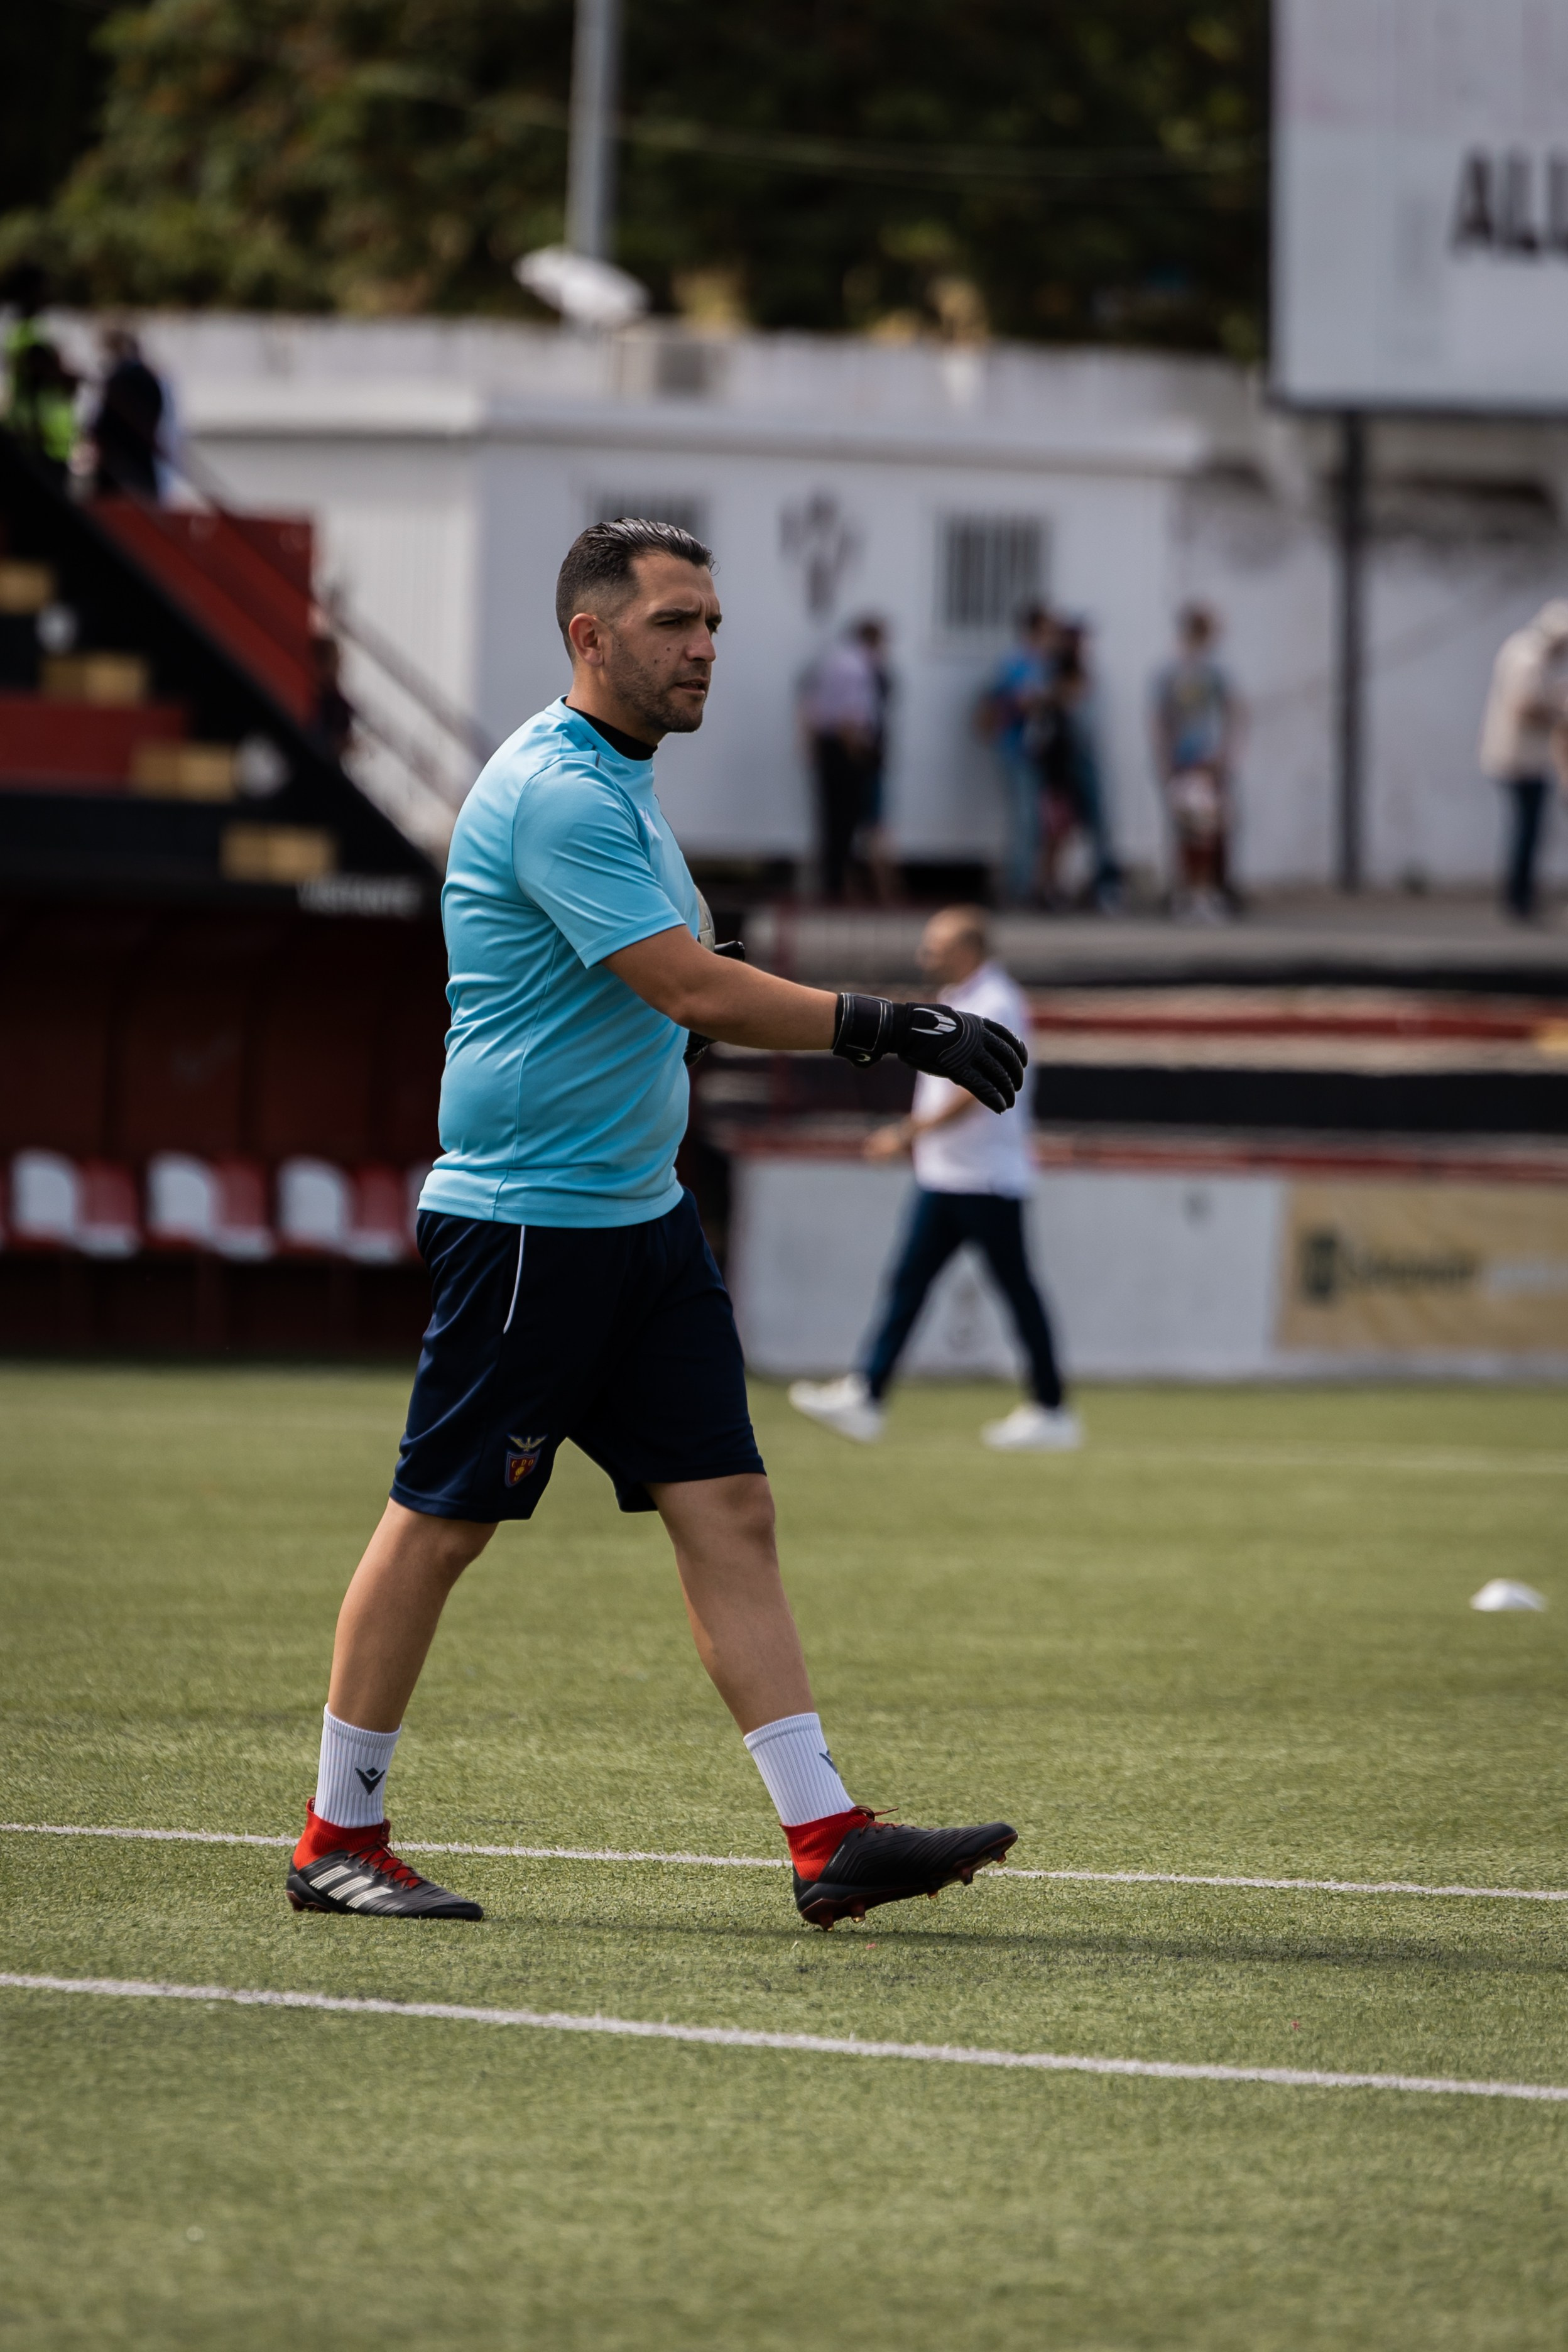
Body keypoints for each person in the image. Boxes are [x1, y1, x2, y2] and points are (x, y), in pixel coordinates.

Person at [285, 519, 1028, 1931]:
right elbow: (689, 988)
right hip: (527, 1227)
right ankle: (339, 1834)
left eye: (712, 626)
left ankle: (825, 1835)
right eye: (678, 622)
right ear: (591, 636)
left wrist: (861, 1022)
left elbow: (690, 974)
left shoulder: (622, 785)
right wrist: (895, 1026)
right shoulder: (557, 790)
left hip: (640, 1223)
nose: (704, 649)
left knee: (730, 1509)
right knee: (441, 1527)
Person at [789, 905, 1079, 1454]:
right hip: (949, 1174)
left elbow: (975, 1090)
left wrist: (907, 1134)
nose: (926, 954)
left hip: (985, 1177)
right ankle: (868, 1396)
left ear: (968, 949)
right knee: (909, 1282)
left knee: (1014, 1291)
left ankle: (1052, 1409)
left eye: (936, 945)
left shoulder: (998, 1002)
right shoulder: (961, 999)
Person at [1478, 601, 1568, 922]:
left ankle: (1521, 897)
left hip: (1518, 757)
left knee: (1526, 829)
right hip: (1520, 759)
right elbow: (1525, 705)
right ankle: (1519, 899)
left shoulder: (1522, 650)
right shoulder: (1530, 658)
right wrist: (1559, 712)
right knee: (1526, 830)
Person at [1152, 604, 1241, 921]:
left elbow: (1233, 710)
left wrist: (1226, 753)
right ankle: (1186, 892)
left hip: (1208, 759)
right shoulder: (1172, 671)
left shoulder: (1216, 671)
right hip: (1184, 759)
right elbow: (1160, 717)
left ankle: (1206, 891)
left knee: (1208, 829)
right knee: (1186, 827)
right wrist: (1163, 758)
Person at [800, 614, 893, 902]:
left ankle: (833, 882)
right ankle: (837, 886)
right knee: (846, 819)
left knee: (831, 819)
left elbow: (813, 706)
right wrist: (860, 756)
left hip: (829, 747)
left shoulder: (834, 661)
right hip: (846, 749)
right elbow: (850, 718)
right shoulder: (858, 668)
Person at [979, 602, 1057, 906]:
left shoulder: (1047, 663)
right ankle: (1017, 889)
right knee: (1024, 820)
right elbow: (1015, 700)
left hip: (1041, 752)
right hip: (1016, 750)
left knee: (1039, 821)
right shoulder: (1015, 662)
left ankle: (1031, 884)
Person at [90, 327, 165, 500]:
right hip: (139, 455)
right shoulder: (148, 378)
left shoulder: (120, 379)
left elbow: (105, 420)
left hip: (121, 459)